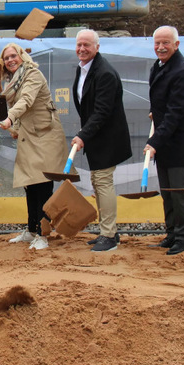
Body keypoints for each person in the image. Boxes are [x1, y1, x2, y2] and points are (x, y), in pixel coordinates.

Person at [0, 43, 68, 250]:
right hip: (29, 135)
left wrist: (9, 118)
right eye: (6, 58)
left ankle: (43, 234)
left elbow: (27, 101)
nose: (10, 60)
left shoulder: (33, 75)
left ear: (21, 56)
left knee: (43, 184)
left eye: (13, 56)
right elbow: (20, 109)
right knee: (31, 185)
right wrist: (13, 127)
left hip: (46, 136)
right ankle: (31, 230)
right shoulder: (13, 81)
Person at [71, 29, 132, 252]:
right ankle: (108, 232)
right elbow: (85, 106)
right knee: (98, 182)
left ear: (97, 47)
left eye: (87, 45)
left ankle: (109, 235)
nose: (82, 49)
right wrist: (87, 133)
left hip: (108, 139)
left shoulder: (104, 73)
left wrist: (83, 135)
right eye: (79, 45)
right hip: (96, 136)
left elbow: (102, 112)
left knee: (103, 182)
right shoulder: (83, 69)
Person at [144, 26, 184, 255]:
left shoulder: (182, 72)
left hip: (178, 143)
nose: (160, 47)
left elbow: (175, 113)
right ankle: (172, 234)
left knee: (178, 192)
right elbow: (162, 103)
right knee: (166, 191)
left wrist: (154, 141)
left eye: (165, 43)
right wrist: (154, 114)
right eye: (157, 43)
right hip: (164, 141)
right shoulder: (159, 66)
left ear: (176, 44)